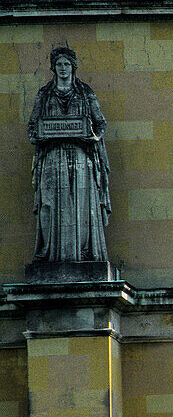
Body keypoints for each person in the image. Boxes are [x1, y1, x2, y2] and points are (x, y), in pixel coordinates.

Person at [27, 46, 110, 262]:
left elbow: (100, 123)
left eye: (66, 64)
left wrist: (93, 136)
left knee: (81, 206)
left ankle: (83, 251)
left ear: (73, 67)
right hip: (53, 158)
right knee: (48, 204)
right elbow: (32, 127)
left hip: (81, 156)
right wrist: (41, 135)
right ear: (53, 68)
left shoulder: (85, 92)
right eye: (59, 64)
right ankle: (49, 252)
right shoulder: (44, 94)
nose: (63, 68)